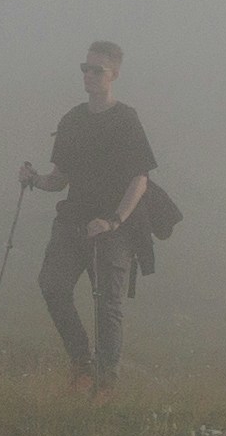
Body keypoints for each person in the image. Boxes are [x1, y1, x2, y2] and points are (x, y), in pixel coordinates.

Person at [21, 42, 161, 392]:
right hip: (73, 221)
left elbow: (139, 178)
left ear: (114, 74)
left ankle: (104, 382)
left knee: (107, 305)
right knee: (52, 286)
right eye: (85, 68)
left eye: (96, 69)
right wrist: (35, 179)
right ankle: (82, 362)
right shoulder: (72, 120)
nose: (88, 75)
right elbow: (60, 178)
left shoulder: (126, 120)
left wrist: (115, 220)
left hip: (113, 228)